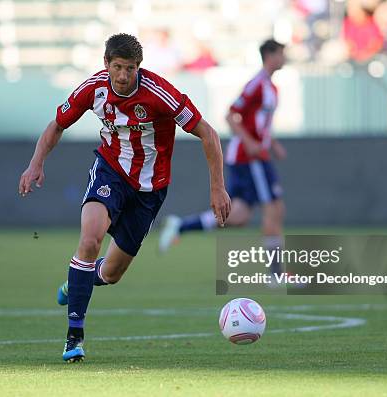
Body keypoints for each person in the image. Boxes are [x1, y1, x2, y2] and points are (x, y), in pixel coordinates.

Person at [18, 33, 231, 363]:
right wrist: (36, 164)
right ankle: (74, 337)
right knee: (90, 240)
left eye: (129, 68)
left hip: (150, 189)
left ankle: (75, 283)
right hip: (110, 172)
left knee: (112, 273)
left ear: (138, 68)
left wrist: (217, 187)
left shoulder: (160, 93)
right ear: (106, 64)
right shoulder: (93, 89)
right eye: (117, 67)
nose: (122, 75)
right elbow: (57, 125)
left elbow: (208, 133)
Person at [159, 39, 287, 277]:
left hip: (256, 156)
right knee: (274, 208)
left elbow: (260, 125)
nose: (284, 58)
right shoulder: (256, 84)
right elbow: (230, 115)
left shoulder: (272, 88)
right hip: (249, 159)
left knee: (238, 216)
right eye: (281, 53)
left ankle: (180, 226)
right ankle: (276, 273)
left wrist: (273, 144)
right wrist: (250, 143)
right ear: (270, 56)